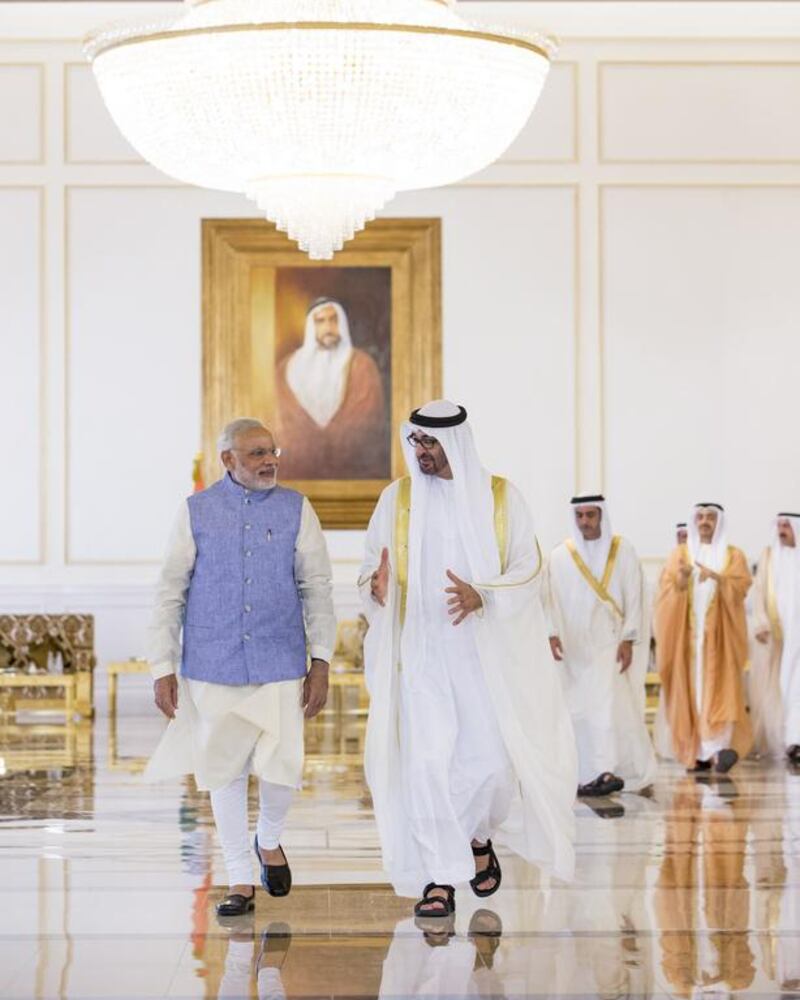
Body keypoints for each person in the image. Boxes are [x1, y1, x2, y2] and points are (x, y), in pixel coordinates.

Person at [358, 400, 577, 919]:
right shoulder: (397, 499)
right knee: (428, 764)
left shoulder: (502, 498)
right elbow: (371, 565)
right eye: (415, 442)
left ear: (456, 442)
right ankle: (441, 878)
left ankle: (479, 835)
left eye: (430, 443)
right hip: (421, 653)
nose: (421, 452)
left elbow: (529, 566)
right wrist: (376, 587)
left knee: (491, 767)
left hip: (484, 656)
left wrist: (486, 594)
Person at [146, 418, 336, 916]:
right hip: (213, 663)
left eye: (272, 451)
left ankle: (267, 838)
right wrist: (162, 666)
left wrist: (322, 661)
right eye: (255, 453)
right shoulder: (197, 512)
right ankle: (238, 878)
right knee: (224, 773)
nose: (269, 460)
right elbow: (170, 591)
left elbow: (317, 588)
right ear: (227, 459)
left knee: (282, 769)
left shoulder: (298, 509)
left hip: (280, 660)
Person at [545, 495, 656, 798]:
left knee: (606, 708)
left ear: (601, 516)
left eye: (590, 515)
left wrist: (629, 637)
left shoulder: (623, 550)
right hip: (573, 648)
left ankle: (606, 770)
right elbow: (549, 599)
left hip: (609, 642)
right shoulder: (560, 556)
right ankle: (582, 773)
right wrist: (551, 633)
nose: (585, 522)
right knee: (578, 711)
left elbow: (635, 594)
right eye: (579, 516)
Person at [655, 503, 752, 773]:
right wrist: (682, 581)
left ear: (719, 521)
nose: (705, 522)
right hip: (687, 641)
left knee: (718, 691)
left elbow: (741, 587)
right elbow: (665, 594)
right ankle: (696, 753)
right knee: (691, 692)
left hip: (719, 641)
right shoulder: (680, 555)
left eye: (711, 517)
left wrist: (719, 579)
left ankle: (718, 750)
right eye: (700, 517)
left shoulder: (733, 556)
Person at [276, 297, 387, 479]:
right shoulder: (286, 368)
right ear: (311, 327)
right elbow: (281, 423)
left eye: (333, 320)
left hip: (353, 473)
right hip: (298, 473)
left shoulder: (362, 365)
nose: (328, 327)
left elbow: (366, 422)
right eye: (320, 321)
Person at [750, 513, 800, 762]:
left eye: (787, 526)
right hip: (778, 638)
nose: (782, 530)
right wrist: (760, 622)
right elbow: (759, 591)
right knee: (781, 688)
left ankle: (795, 739)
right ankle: (786, 740)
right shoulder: (770, 557)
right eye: (779, 525)